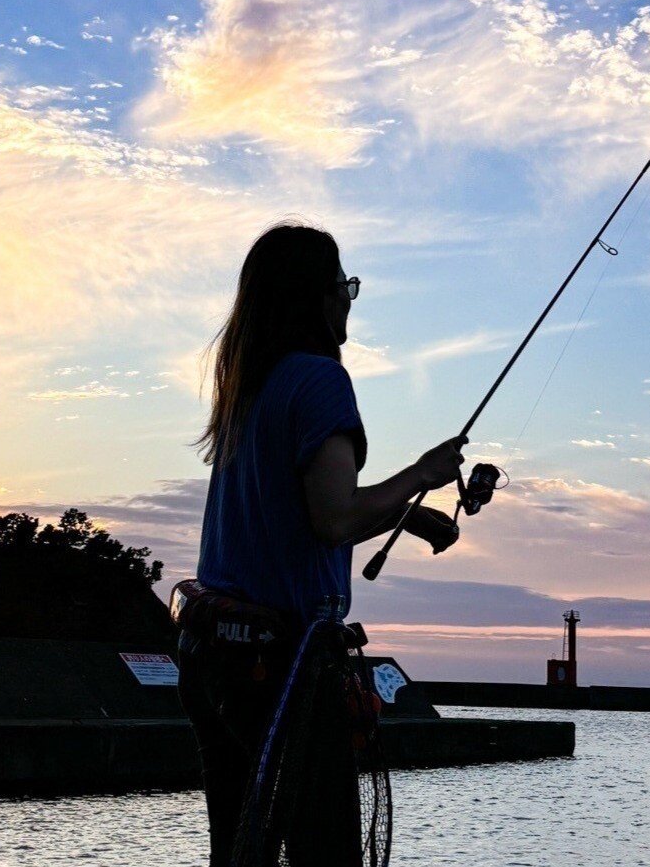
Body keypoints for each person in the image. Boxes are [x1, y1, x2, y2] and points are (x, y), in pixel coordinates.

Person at [176, 222, 465, 866]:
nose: (348, 301)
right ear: (316, 295)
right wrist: (421, 474)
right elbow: (332, 521)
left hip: (216, 662)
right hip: (285, 673)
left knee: (241, 854)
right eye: (344, 286)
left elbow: (287, 518)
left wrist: (405, 517)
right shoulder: (321, 382)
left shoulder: (247, 392)